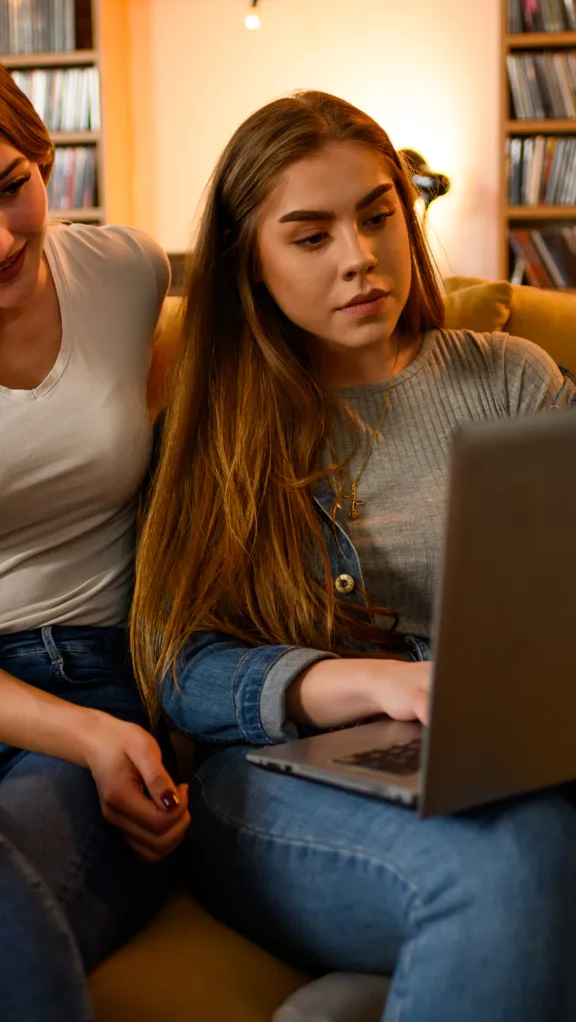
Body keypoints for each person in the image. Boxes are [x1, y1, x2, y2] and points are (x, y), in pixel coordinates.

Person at [131, 90, 576, 1022]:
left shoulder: (507, 379)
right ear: (249, 263)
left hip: (505, 762)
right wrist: (376, 684)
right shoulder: (215, 426)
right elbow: (178, 665)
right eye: (310, 235)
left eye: (378, 215)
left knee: (531, 836)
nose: (360, 256)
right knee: (517, 857)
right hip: (273, 780)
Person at [0, 66, 190, 1022]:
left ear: (48, 161)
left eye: (8, 188)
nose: (0, 239)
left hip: (99, 671)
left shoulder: (125, 271)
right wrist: (86, 737)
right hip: (69, 723)